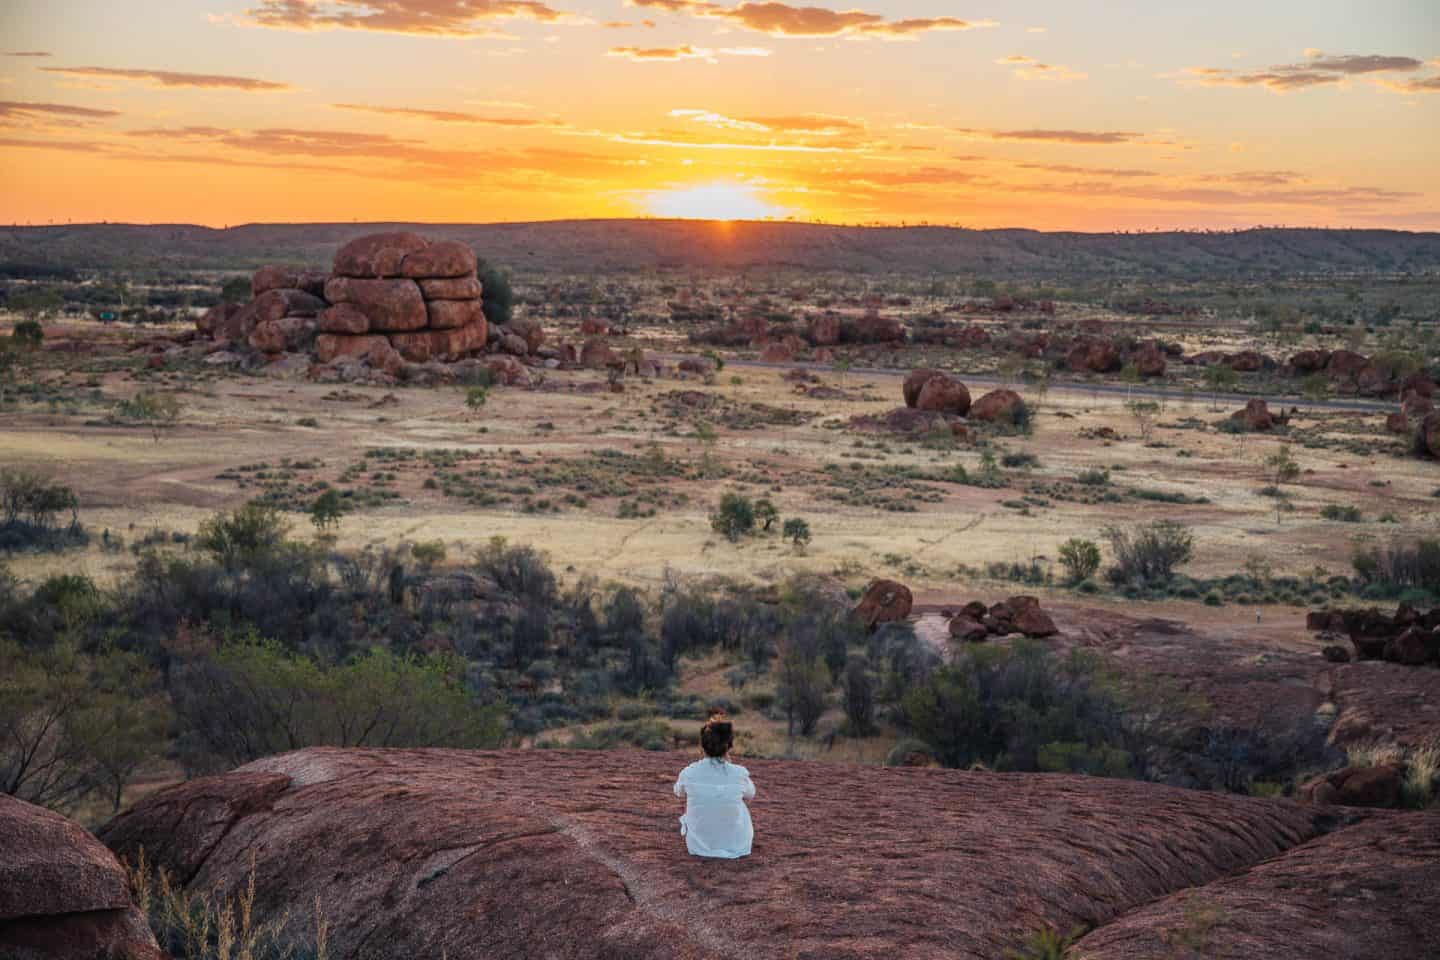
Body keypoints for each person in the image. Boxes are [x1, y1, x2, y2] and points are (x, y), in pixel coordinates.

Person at [673, 714, 756, 859]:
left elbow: (678, 792)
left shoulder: (689, 772)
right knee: (737, 800)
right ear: (728, 747)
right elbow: (750, 793)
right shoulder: (739, 773)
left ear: (703, 746)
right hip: (737, 847)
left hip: (698, 846)